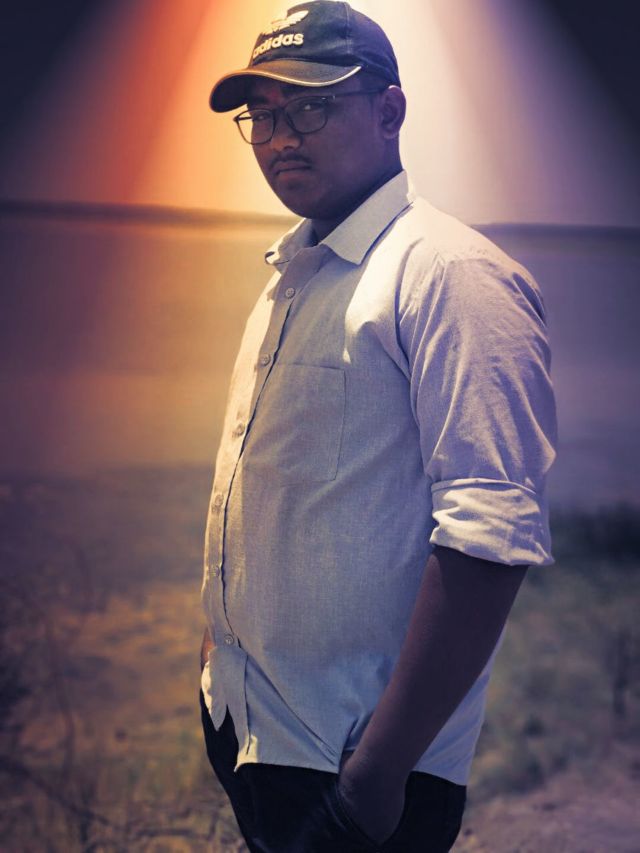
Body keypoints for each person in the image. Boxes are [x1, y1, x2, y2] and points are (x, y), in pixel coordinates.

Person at [199, 2, 557, 851]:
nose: (281, 138)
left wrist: (377, 776)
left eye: (312, 107)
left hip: (358, 771)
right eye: (264, 115)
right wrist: (215, 663)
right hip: (259, 735)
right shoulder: (295, 274)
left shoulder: (450, 274)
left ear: (390, 112)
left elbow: (489, 538)